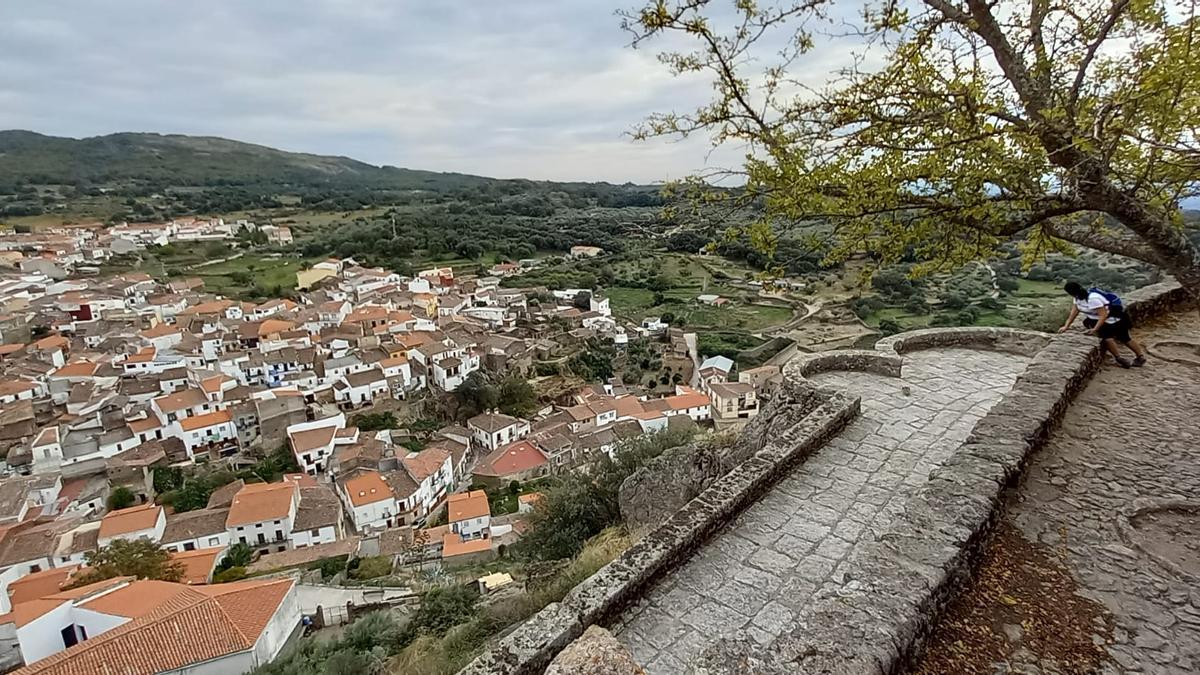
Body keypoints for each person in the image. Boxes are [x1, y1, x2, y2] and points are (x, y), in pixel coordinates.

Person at [1059, 281, 1147, 367]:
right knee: (1124, 338)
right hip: (1105, 319)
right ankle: (1138, 357)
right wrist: (1066, 326)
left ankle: (1120, 358)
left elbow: (1103, 315)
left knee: (1109, 338)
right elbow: (1074, 312)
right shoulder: (1077, 298)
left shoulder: (1093, 299)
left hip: (1113, 319)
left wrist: (1095, 329)